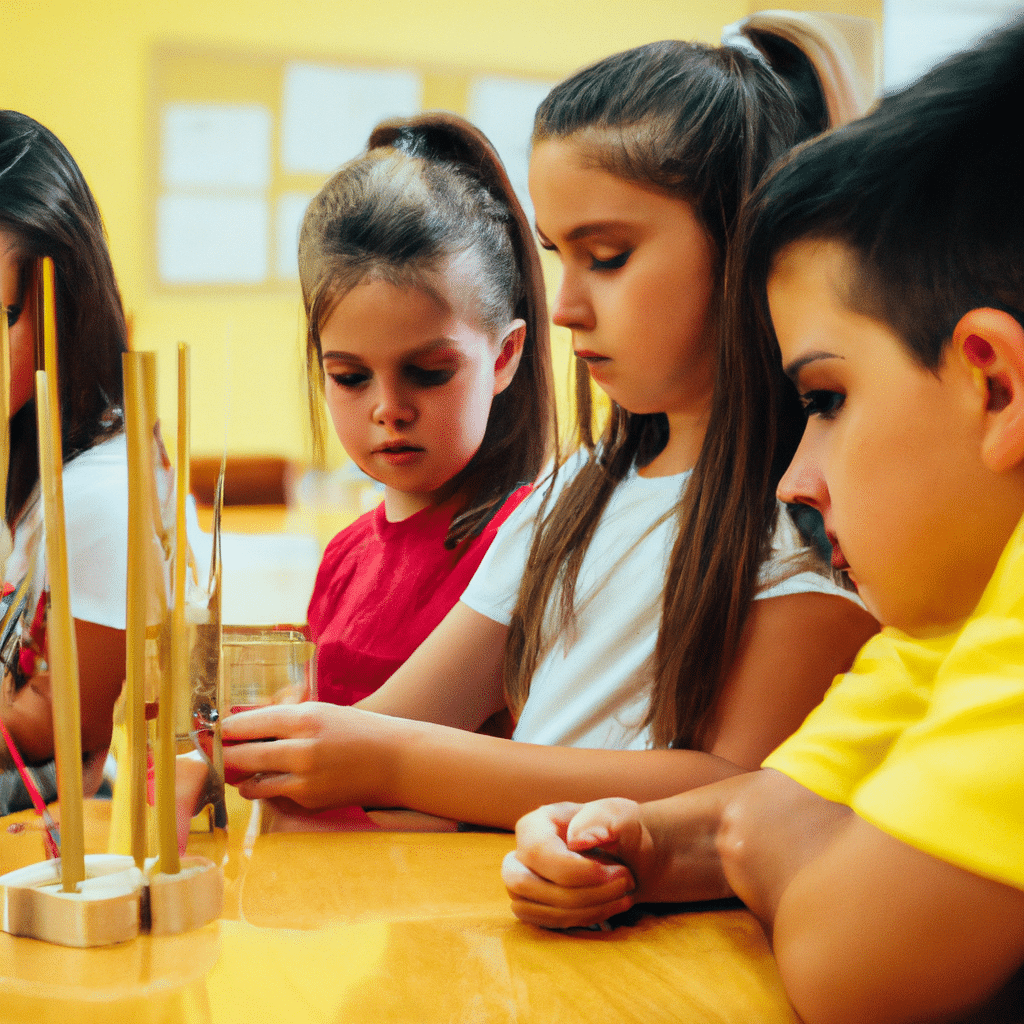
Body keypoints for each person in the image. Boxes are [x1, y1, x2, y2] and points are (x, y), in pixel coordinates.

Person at [503, 19, 1024, 1024]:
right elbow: (766, 804)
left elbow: (847, 966)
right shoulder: (956, 616)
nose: (798, 474)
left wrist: (772, 843)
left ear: (992, 385)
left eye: (825, 399)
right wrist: (644, 843)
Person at [221, 36, 877, 831]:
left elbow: (735, 789)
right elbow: (399, 718)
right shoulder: (569, 497)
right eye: (558, 255)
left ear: (743, 246)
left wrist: (387, 758)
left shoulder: (810, 518)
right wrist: (280, 749)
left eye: (605, 256)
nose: (562, 305)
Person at [300, 113, 553, 710]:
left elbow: (342, 753)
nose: (389, 409)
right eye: (350, 377)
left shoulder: (522, 547)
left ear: (504, 355)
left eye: (430, 372)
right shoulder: (343, 559)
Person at [0, 111, 129, 813]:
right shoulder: (22, 444)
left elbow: (58, 723)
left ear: (63, 309)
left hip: (61, 809)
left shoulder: (97, 493)